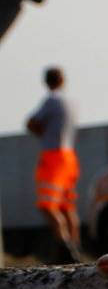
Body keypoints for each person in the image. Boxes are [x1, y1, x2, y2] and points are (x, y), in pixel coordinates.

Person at [25, 65, 79, 260]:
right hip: (69, 156)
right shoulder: (71, 102)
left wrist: (41, 133)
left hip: (53, 156)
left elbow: (31, 123)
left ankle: (64, 247)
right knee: (67, 206)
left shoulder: (51, 100)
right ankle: (74, 246)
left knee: (47, 205)